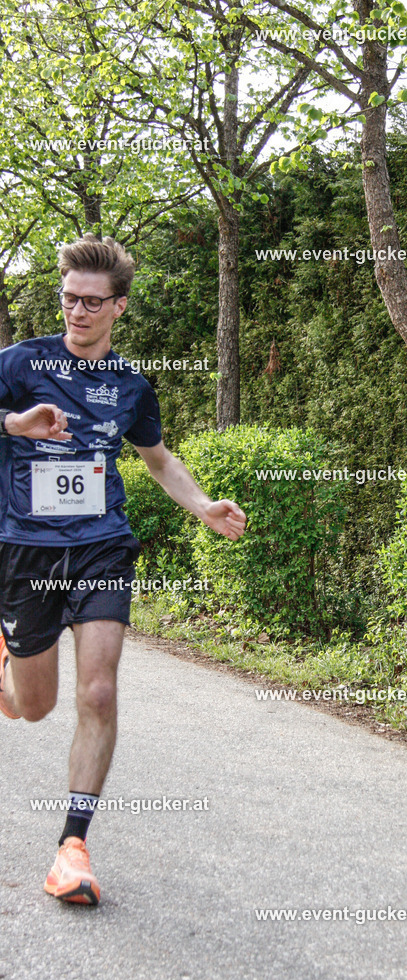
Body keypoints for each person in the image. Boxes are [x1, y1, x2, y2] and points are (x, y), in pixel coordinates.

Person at [0, 233, 246, 906]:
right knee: (32, 705)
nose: (76, 312)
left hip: (102, 545)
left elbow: (158, 460)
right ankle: (9, 663)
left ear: (120, 308)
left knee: (99, 694)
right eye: (68, 299)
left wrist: (203, 506)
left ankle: (71, 848)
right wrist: (17, 425)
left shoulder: (131, 386)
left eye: (91, 302)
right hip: (26, 550)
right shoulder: (17, 365)